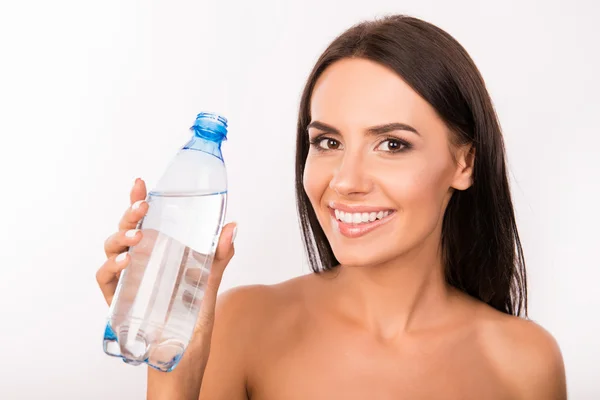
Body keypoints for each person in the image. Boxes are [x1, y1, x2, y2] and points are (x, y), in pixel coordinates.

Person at [96, 14, 567, 399]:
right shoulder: (242, 324)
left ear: (464, 163)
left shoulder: (526, 363)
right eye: (327, 141)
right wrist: (171, 359)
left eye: (391, 144)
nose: (345, 181)